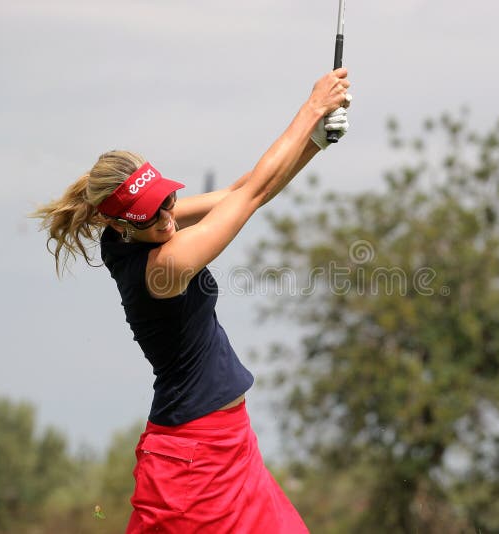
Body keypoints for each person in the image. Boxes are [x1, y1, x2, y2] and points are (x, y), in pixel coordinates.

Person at [33, 68, 352, 533]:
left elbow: (242, 189)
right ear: (120, 224)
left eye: (167, 202)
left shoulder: (128, 227)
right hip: (195, 461)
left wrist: (315, 142)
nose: (166, 219)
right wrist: (312, 107)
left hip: (226, 442)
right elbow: (254, 196)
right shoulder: (166, 266)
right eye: (151, 216)